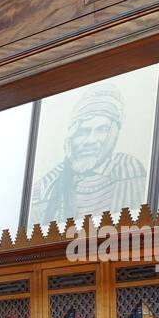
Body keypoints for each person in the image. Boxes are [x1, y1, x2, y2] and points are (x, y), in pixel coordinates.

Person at [29, 85, 149, 226]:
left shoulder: (128, 169)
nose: (91, 141)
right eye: (83, 131)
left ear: (113, 134)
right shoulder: (45, 188)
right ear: (71, 137)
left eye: (101, 130)